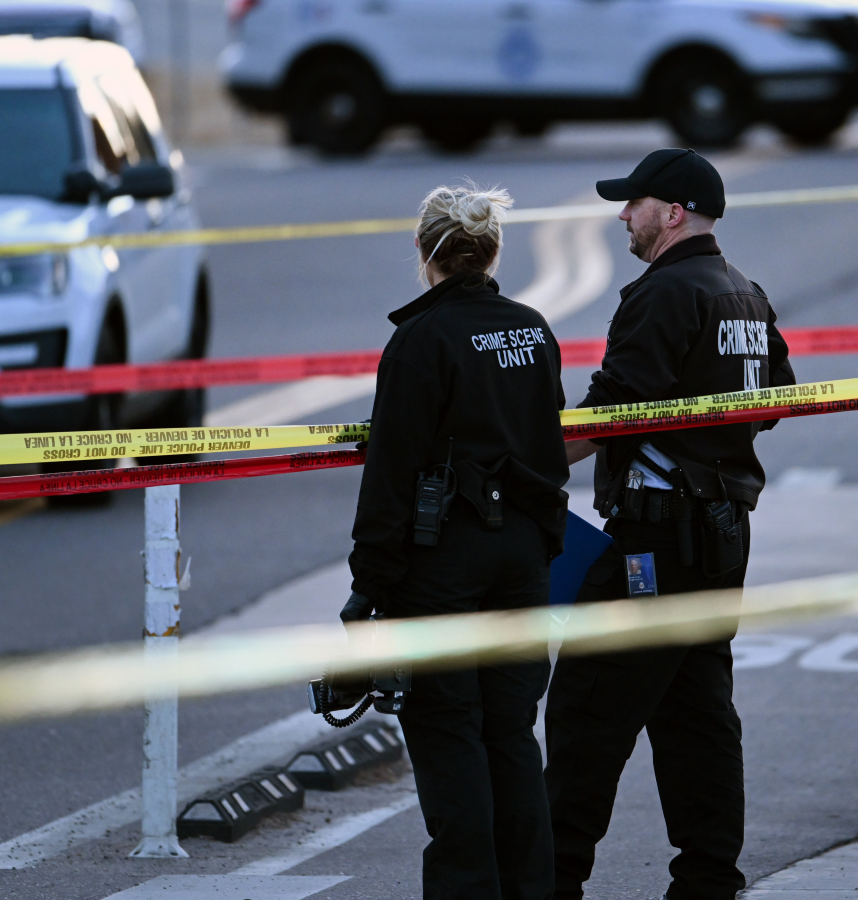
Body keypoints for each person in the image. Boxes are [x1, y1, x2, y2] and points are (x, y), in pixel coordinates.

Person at [545, 148, 796, 900]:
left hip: (655, 540)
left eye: (635, 204)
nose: (625, 215)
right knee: (697, 715)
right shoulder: (745, 294)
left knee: (589, 713)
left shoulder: (665, 293)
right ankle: (709, 879)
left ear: (673, 212)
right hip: (720, 539)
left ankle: (551, 880)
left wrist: (521, 457)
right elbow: (777, 400)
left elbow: (615, 412)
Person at [345, 183, 569, 900]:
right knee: (510, 734)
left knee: (448, 734)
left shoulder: (420, 342)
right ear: (492, 250)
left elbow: (392, 475)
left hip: (445, 561)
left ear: (424, 253)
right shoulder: (534, 329)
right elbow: (549, 446)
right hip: (523, 559)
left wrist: (370, 590)